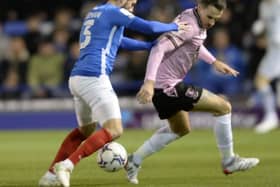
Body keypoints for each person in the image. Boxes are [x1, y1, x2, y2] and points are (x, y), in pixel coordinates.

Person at [38, 0, 188, 186]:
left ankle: (50, 176)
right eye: (132, 1)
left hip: (77, 78)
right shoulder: (115, 11)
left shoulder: (95, 12)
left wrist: (147, 47)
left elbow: (119, 40)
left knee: (85, 130)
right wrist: (175, 26)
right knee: (115, 129)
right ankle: (67, 165)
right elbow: (149, 27)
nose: (133, 4)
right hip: (95, 77)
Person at [125, 0, 260, 184]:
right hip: (168, 87)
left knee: (180, 129)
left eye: (216, 19)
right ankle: (229, 161)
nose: (212, 23)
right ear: (200, 6)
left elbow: (195, 43)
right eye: (210, 17)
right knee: (223, 107)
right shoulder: (190, 26)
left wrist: (214, 61)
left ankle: (135, 160)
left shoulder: (193, 16)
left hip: (163, 88)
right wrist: (148, 83)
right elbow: (159, 48)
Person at [252, 0, 280, 133]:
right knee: (260, 80)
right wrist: (261, 27)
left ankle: (271, 116)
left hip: (278, 49)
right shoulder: (263, 6)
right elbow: (265, 24)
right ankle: (271, 116)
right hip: (273, 50)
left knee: (261, 80)